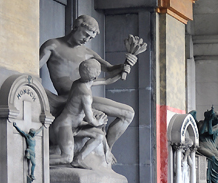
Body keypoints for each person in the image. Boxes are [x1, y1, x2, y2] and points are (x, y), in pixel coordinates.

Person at [38, 15, 141, 163]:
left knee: (128, 113)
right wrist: (47, 96)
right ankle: (95, 153)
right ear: (75, 27)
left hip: (85, 97)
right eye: (86, 34)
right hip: (66, 99)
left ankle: (107, 151)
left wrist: (126, 64)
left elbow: (110, 70)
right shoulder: (53, 45)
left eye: (90, 37)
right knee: (118, 115)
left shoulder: (87, 53)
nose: (87, 39)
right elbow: (31, 71)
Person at [49, 58, 111, 168]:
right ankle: (39, 160)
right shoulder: (85, 94)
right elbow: (90, 119)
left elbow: (106, 80)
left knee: (99, 136)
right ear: (95, 76)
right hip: (65, 126)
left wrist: (122, 70)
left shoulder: (78, 82)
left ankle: (78, 159)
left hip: (75, 125)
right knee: (66, 158)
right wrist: (99, 121)